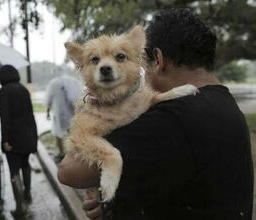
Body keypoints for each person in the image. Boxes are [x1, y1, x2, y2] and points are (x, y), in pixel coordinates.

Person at [58, 8, 254, 220]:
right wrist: (112, 202)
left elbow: (69, 171)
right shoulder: (225, 104)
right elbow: (168, 174)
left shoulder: (174, 117)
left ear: (158, 60)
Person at [0, 65, 38, 217]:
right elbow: (28, 113)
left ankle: (20, 206)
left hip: (13, 138)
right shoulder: (22, 89)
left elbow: (6, 118)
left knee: (14, 169)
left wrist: (5, 140)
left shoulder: (4, 91)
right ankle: (27, 193)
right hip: (27, 135)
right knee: (25, 164)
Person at [46, 74, 82, 157]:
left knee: (58, 132)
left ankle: (62, 152)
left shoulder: (54, 83)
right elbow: (74, 100)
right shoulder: (72, 82)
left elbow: (49, 99)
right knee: (71, 131)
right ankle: (72, 151)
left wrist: (47, 112)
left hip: (58, 112)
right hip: (69, 112)